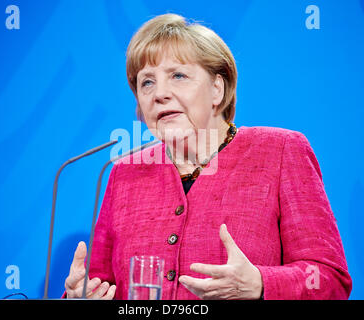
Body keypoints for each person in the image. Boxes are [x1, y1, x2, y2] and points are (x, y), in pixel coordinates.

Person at [64, 13, 352, 300]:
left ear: (217, 88)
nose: (159, 93)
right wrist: (83, 296)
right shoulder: (125, 172)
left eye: (178, 76)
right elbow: (101, 283)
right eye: (146, 82)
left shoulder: (281, 151)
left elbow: (329, 279)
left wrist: (260, 284)